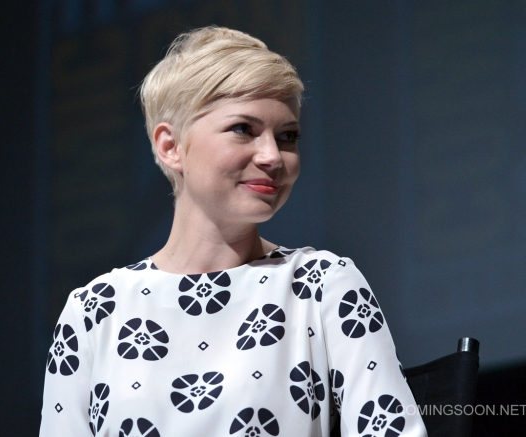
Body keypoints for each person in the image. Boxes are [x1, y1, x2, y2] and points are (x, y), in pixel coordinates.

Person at [40, 26, 427, 437]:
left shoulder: (322, 286)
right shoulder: (95, 311)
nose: (273, 156)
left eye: (288, 136)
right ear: (170, 147)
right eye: (243, 129)